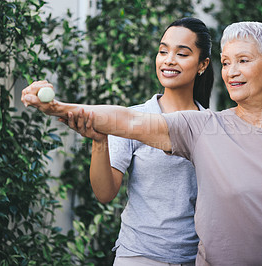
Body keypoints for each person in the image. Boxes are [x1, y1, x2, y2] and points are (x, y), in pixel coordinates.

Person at [22, 21, 262, 265]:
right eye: (227, 62)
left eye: (242, 60)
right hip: (142, 254)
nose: (231, 71)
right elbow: (125, 122)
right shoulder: (201, 127)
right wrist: (60, 109)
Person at [41, 17, 212, 265]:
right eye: (163, 51)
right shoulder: (130, 120)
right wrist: (100, 142)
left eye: (182, 54)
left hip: (195, 258)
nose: (169, 60)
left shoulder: (211, 124)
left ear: (202, 64)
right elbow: (104, 193)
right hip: (138, 255)